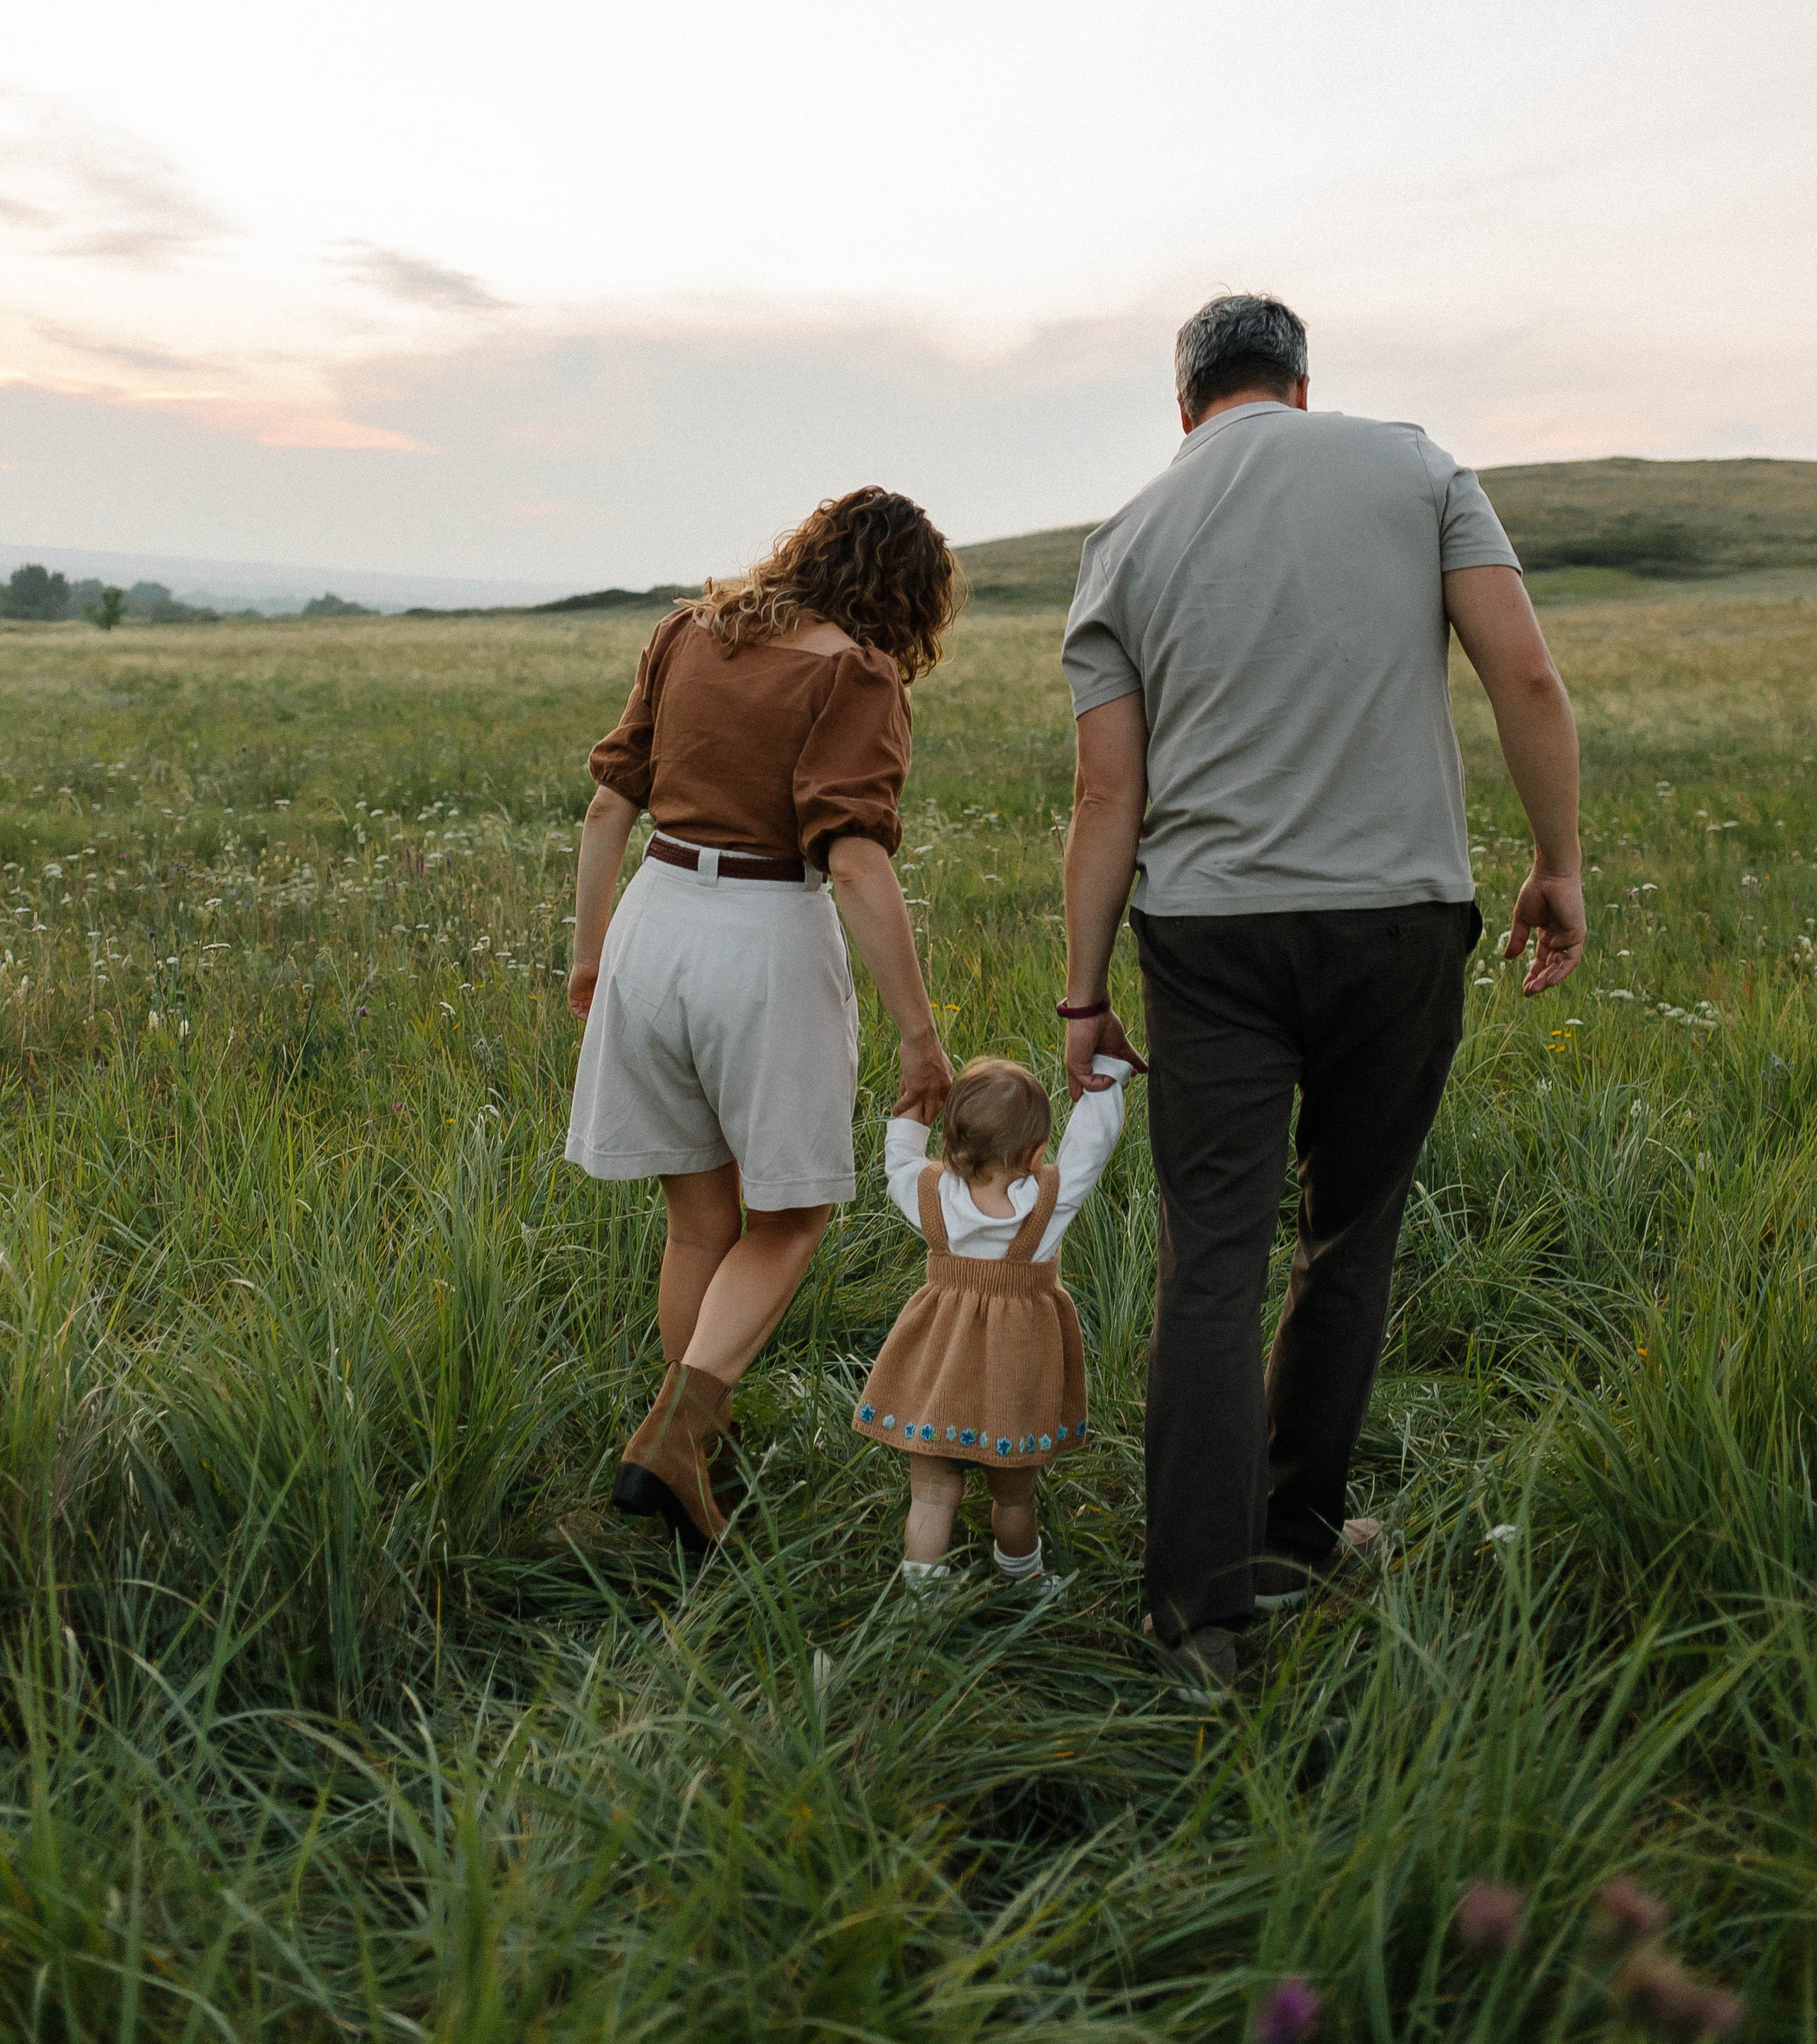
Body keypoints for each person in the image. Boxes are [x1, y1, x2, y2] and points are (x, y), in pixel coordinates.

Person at [1058, 291, 1584, 1691]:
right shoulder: (1414, 467)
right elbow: (1526, 677)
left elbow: (1105, 796)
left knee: (1210, 1263)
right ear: (1298, 387)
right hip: (1399, 922)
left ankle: (1195, 1616)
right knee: (1348, 1234)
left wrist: (1082, 995)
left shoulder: (1124, 536)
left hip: (1206, 937)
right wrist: (1556, 864)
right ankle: (1296, 1537)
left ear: (1184, 408)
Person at [566, 485, 959, 1553]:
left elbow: (609, 803)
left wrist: (591, 953)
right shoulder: (855, 674)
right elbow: (854, 859)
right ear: (907, 595)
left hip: (653, 918)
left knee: (699, 1219)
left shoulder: (685, 632)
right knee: (791, 1218)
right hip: (763, 935)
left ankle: (689, 1451)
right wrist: (919, 1036)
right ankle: (675, 1443)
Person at [853, 1050, 1135, 1592]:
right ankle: (1024, 1579)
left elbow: (899, 1165)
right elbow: (1089, 1150)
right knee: (1014, 1499)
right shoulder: (1045, 1205)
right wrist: (1106, 1075)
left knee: (931, 1495)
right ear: (1033, 1153)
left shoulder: (932, 1196)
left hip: (942, 1378)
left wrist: (911, 1114)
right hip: (1013, 1386)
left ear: (953, 1141)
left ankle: (923, 1595)